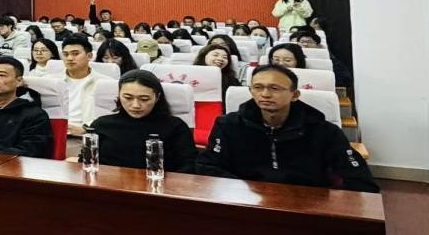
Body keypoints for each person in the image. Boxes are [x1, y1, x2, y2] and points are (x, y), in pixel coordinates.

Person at [196, 65, 378, 192]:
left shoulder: (325, 131)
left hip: (307, 206)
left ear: (295, 95)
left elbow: (359, 180)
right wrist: (245, 190)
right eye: (258, 87)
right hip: (245, 202)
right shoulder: (228, 125)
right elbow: (208, 166)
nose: (265, 94)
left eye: (275, 88)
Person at [90, 70, 196, 172]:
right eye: (128, 98)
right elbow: (88, 162)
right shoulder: (101, 125)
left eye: (144, 99)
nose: (135, 105)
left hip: (158, 182)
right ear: (119, 95)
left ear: (157, 97)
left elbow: (188, 166)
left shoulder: (175, 127)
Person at [60, 37, 101, 135]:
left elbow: (109, 115)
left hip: (87, 134)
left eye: (75, 54)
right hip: (56, 133)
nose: (69, 58)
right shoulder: (52, 80)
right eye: (65, 54)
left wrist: (87, 129)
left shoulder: (104, 83)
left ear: (89, 56)